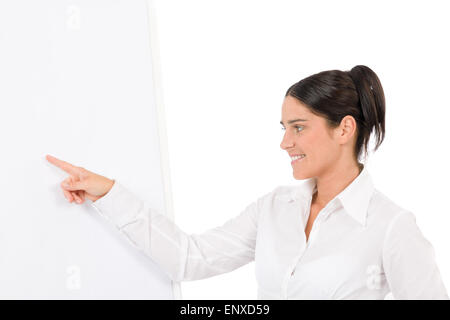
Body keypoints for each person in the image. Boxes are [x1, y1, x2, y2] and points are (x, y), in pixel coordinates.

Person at [46, 65, 449, 299]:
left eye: (298, 127)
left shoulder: (391, 227)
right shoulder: (274, 209)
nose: (284, 142)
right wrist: (110, 192)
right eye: (283, 127)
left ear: (344, 129)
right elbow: (190, 258)